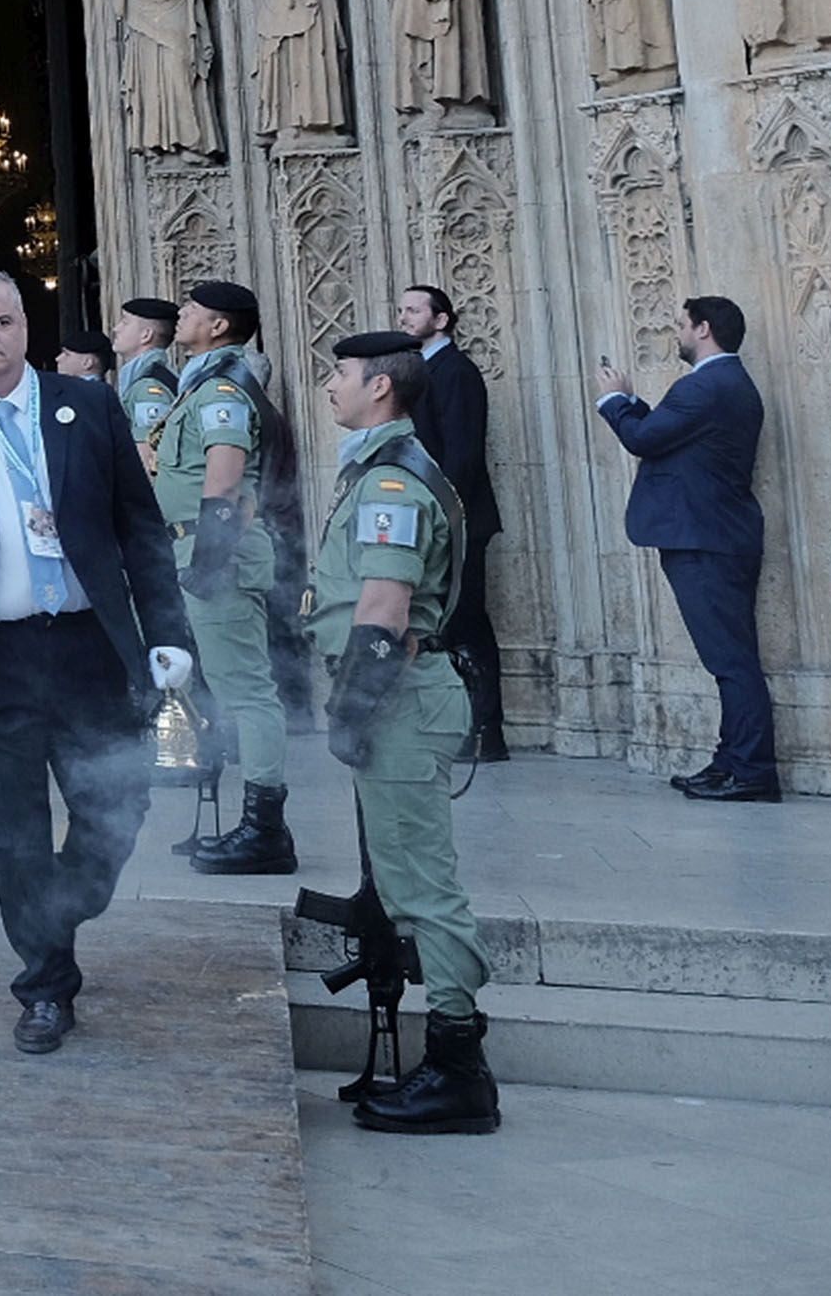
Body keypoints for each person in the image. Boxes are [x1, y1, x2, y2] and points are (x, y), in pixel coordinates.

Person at [0, 269, 193, 1054]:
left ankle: (64, 902)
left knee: (116, 809)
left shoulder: (86, 406)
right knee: (14, 831)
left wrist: (168, 632)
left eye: (3, 321)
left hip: (87, 648)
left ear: (26, 325)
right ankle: (45, 985)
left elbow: (139, 527)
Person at [313, 330, 498, 1134]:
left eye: (340, 374)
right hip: (398, 694)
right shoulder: (386, 468)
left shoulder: (389, 483)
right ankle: (443, 1060)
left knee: (423, 886)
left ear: (379, 388)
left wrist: (350, 710)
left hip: (394, 696)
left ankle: (459, 1070)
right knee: (399, 881)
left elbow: (383, 612)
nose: (329, 386)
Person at [598, 297, 773, 799]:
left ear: (703, 329)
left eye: (680, 325)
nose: (676, 334)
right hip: (714, 534)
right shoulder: (720, 386)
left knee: (731, 661)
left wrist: (613, 400)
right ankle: (731, 760)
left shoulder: (705, 386)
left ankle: (752, 771)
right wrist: (634, 405)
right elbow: (670, 434)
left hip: (706, 538)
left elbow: (644, 440)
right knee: (728, 657)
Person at [161, 280, 300, 874]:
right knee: (215, 685)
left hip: (217, 552)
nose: (182, 314)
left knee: (247, 691)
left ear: (219, 326)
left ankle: (266, 829)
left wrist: (208, 563)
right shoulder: (202, 384)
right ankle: (227, 818)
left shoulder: (221, 390)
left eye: (192, 309)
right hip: (194, 549)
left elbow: (222, 480)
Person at [400, 283, 505, 761]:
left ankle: (485, 731)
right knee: (444, 621)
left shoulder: (455, 371)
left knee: (467, 621)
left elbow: (462, 454)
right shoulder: (423, 370)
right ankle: (457, 724)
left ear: (441, 320)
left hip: (457, 518)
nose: (404, 317)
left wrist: (443, 514)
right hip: (439, 518)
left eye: (414, 310)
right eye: (401, 309)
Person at [111, 297, 182, 471]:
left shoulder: (149, 386)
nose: (116, 329)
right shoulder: (141, 377)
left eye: (125, 322)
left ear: (146, 335)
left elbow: (148, 453)